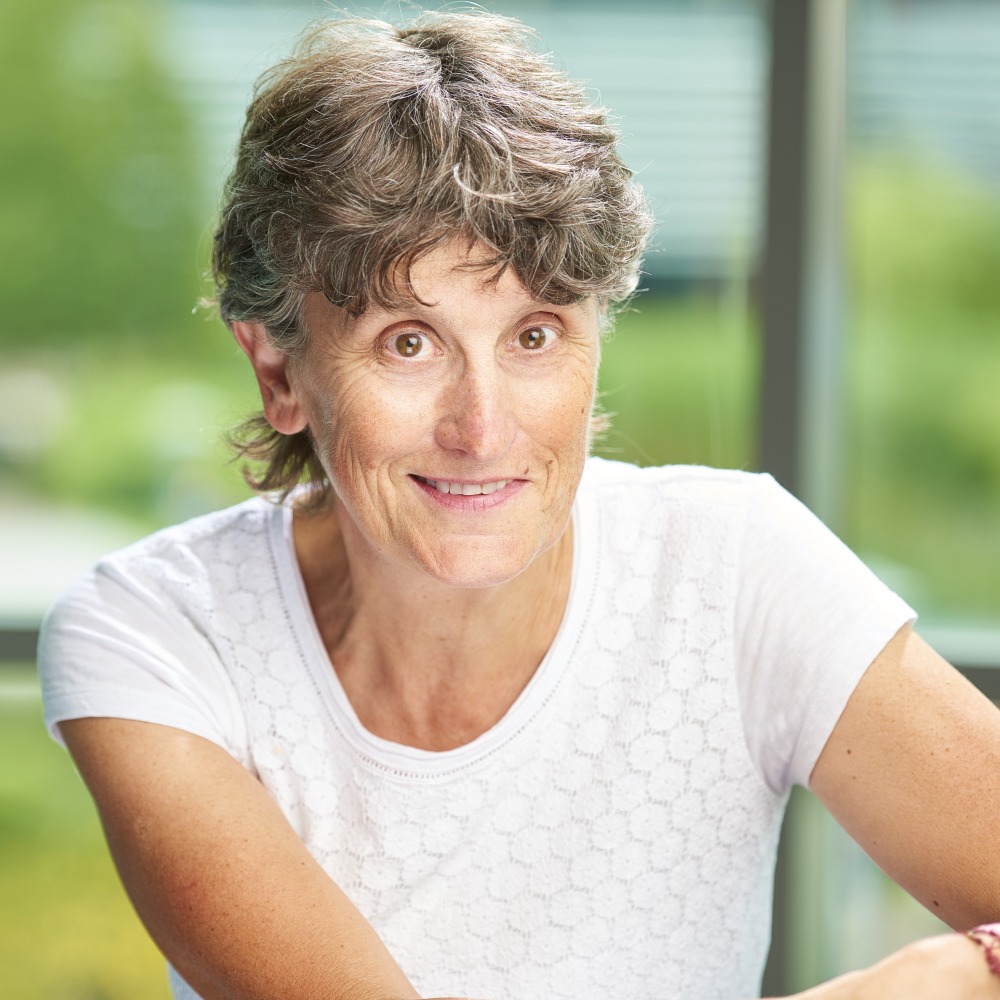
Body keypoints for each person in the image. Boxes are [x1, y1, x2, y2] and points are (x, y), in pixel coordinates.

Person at [38, 10, 1000, 1000]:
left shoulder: (732, 568)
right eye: (407, 341)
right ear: (279, 368)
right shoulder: (158, 636)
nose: (482, 427)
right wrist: (934, 977)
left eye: (535, 335)